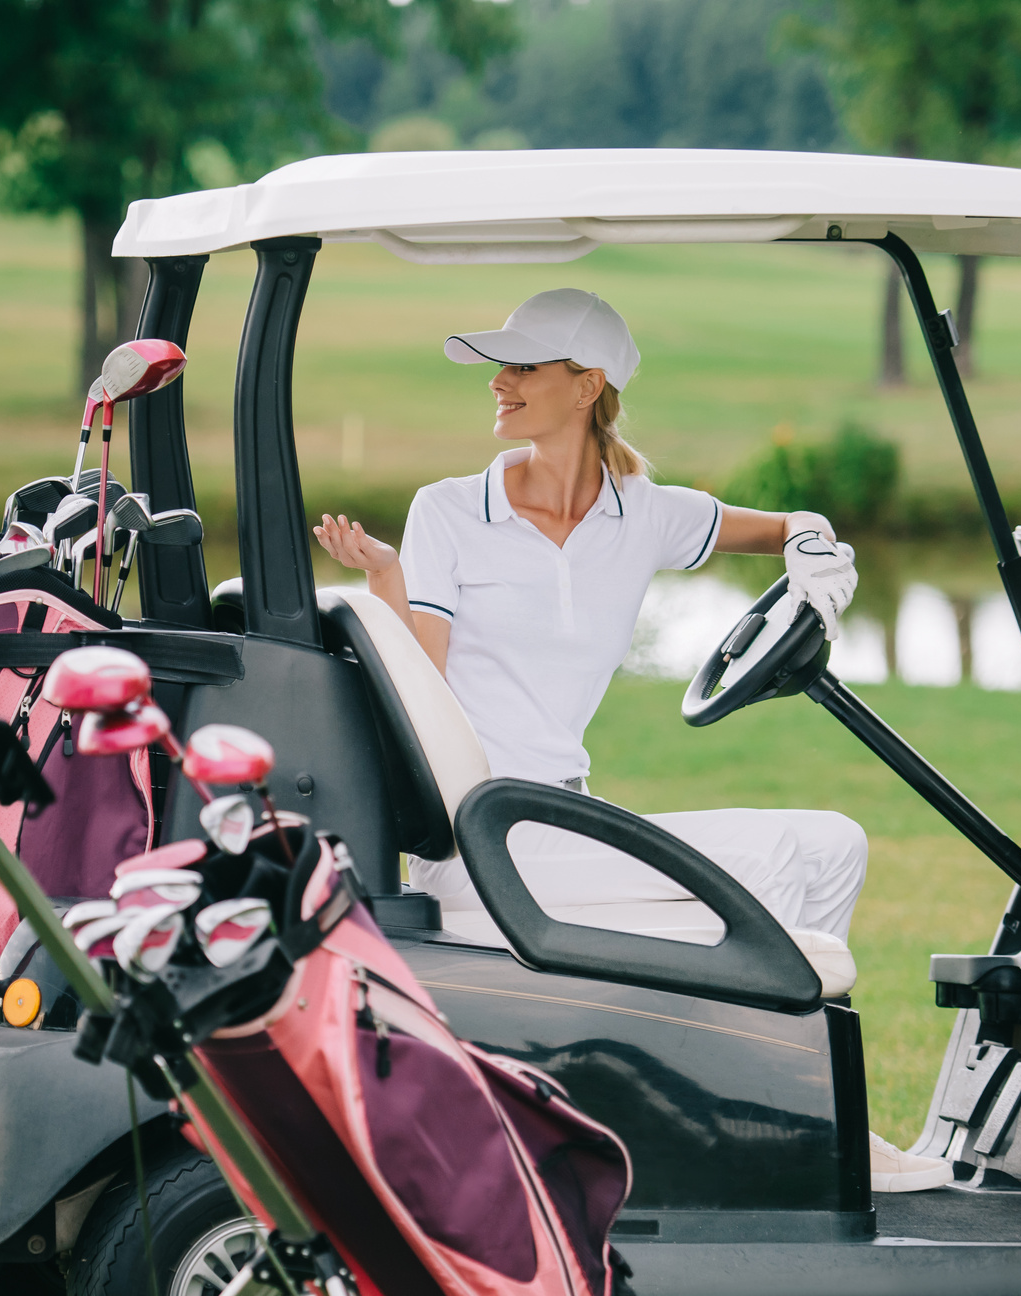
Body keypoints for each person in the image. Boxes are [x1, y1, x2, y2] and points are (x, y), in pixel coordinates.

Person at [314, 288, 950, 1194]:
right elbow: (423, 692)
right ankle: (781, 1120)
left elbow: (775, 526)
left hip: (563, 825)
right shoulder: (449, 511)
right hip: (485, 838)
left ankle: (812, 1111)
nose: (500, 382)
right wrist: (388, 580)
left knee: (832, 845)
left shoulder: (643, 513)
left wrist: (812, 543)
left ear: (588, 385)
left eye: (524, 366)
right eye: (502, 366)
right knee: (770, 864)